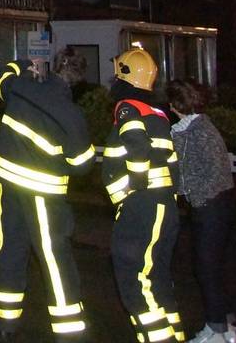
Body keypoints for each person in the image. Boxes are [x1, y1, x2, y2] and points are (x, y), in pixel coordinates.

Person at [0, 49, 97, 341]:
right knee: (54, 259)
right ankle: (70, 332)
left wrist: (27, 64)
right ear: (77, 80)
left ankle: (5, 324)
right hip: (44, 195)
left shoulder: (19, 87)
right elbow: (82, 164)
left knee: (8, 251)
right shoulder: (70, 113)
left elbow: (2, 78)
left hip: (7, 188)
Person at [103, 47, 185, 342]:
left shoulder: (128, 107)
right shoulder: (159, 114)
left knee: (135, 281)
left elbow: (137, 148)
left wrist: (131, 189)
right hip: (164, 206)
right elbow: (172, 163)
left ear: (125, 75)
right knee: (159, 278)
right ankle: (173, 334)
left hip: (141, 206)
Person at [167, 79, 236, 343]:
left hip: (210, 208)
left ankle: (217, 329)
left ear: (174, 105)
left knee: (207, 267)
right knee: (211, 266)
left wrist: (187, 194)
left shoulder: (193, 131)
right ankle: (226, 324)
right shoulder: (200, 127)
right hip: (214, 207)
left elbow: (192, 174)